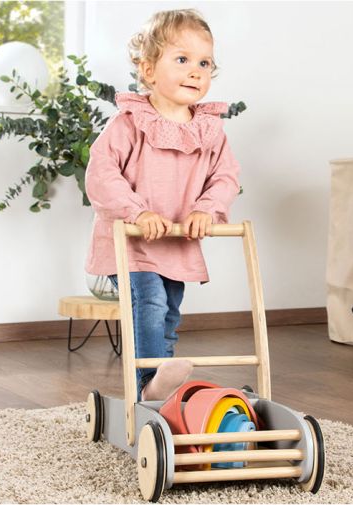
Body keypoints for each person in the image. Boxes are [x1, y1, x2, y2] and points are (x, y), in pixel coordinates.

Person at [84, 9, 241, 401]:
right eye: (182, 59)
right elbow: (102, 174)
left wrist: (207, 208)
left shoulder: (209, 130)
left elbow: (225, 177)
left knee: (169, 313)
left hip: (175, 241)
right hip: (133, 242)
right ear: (149, 70)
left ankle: (158, 391)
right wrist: (137, 212)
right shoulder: (130, 122)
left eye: (204, 63)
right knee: (149, 302)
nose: (195, 71)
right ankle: (146, 385)